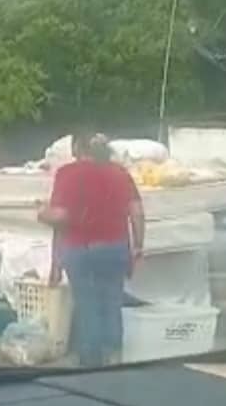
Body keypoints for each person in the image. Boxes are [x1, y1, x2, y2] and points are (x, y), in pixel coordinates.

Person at [37, 131, 145, 367]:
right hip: (115, 248)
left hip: (79, 250)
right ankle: (114, 357)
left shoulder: (67, 174)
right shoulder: (120, 173)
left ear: (77, 148)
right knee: (112, 302)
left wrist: (42, 214)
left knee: (87, 306)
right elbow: (137, 212)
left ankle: (91, 363)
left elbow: (61, 219)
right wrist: (137, 247)